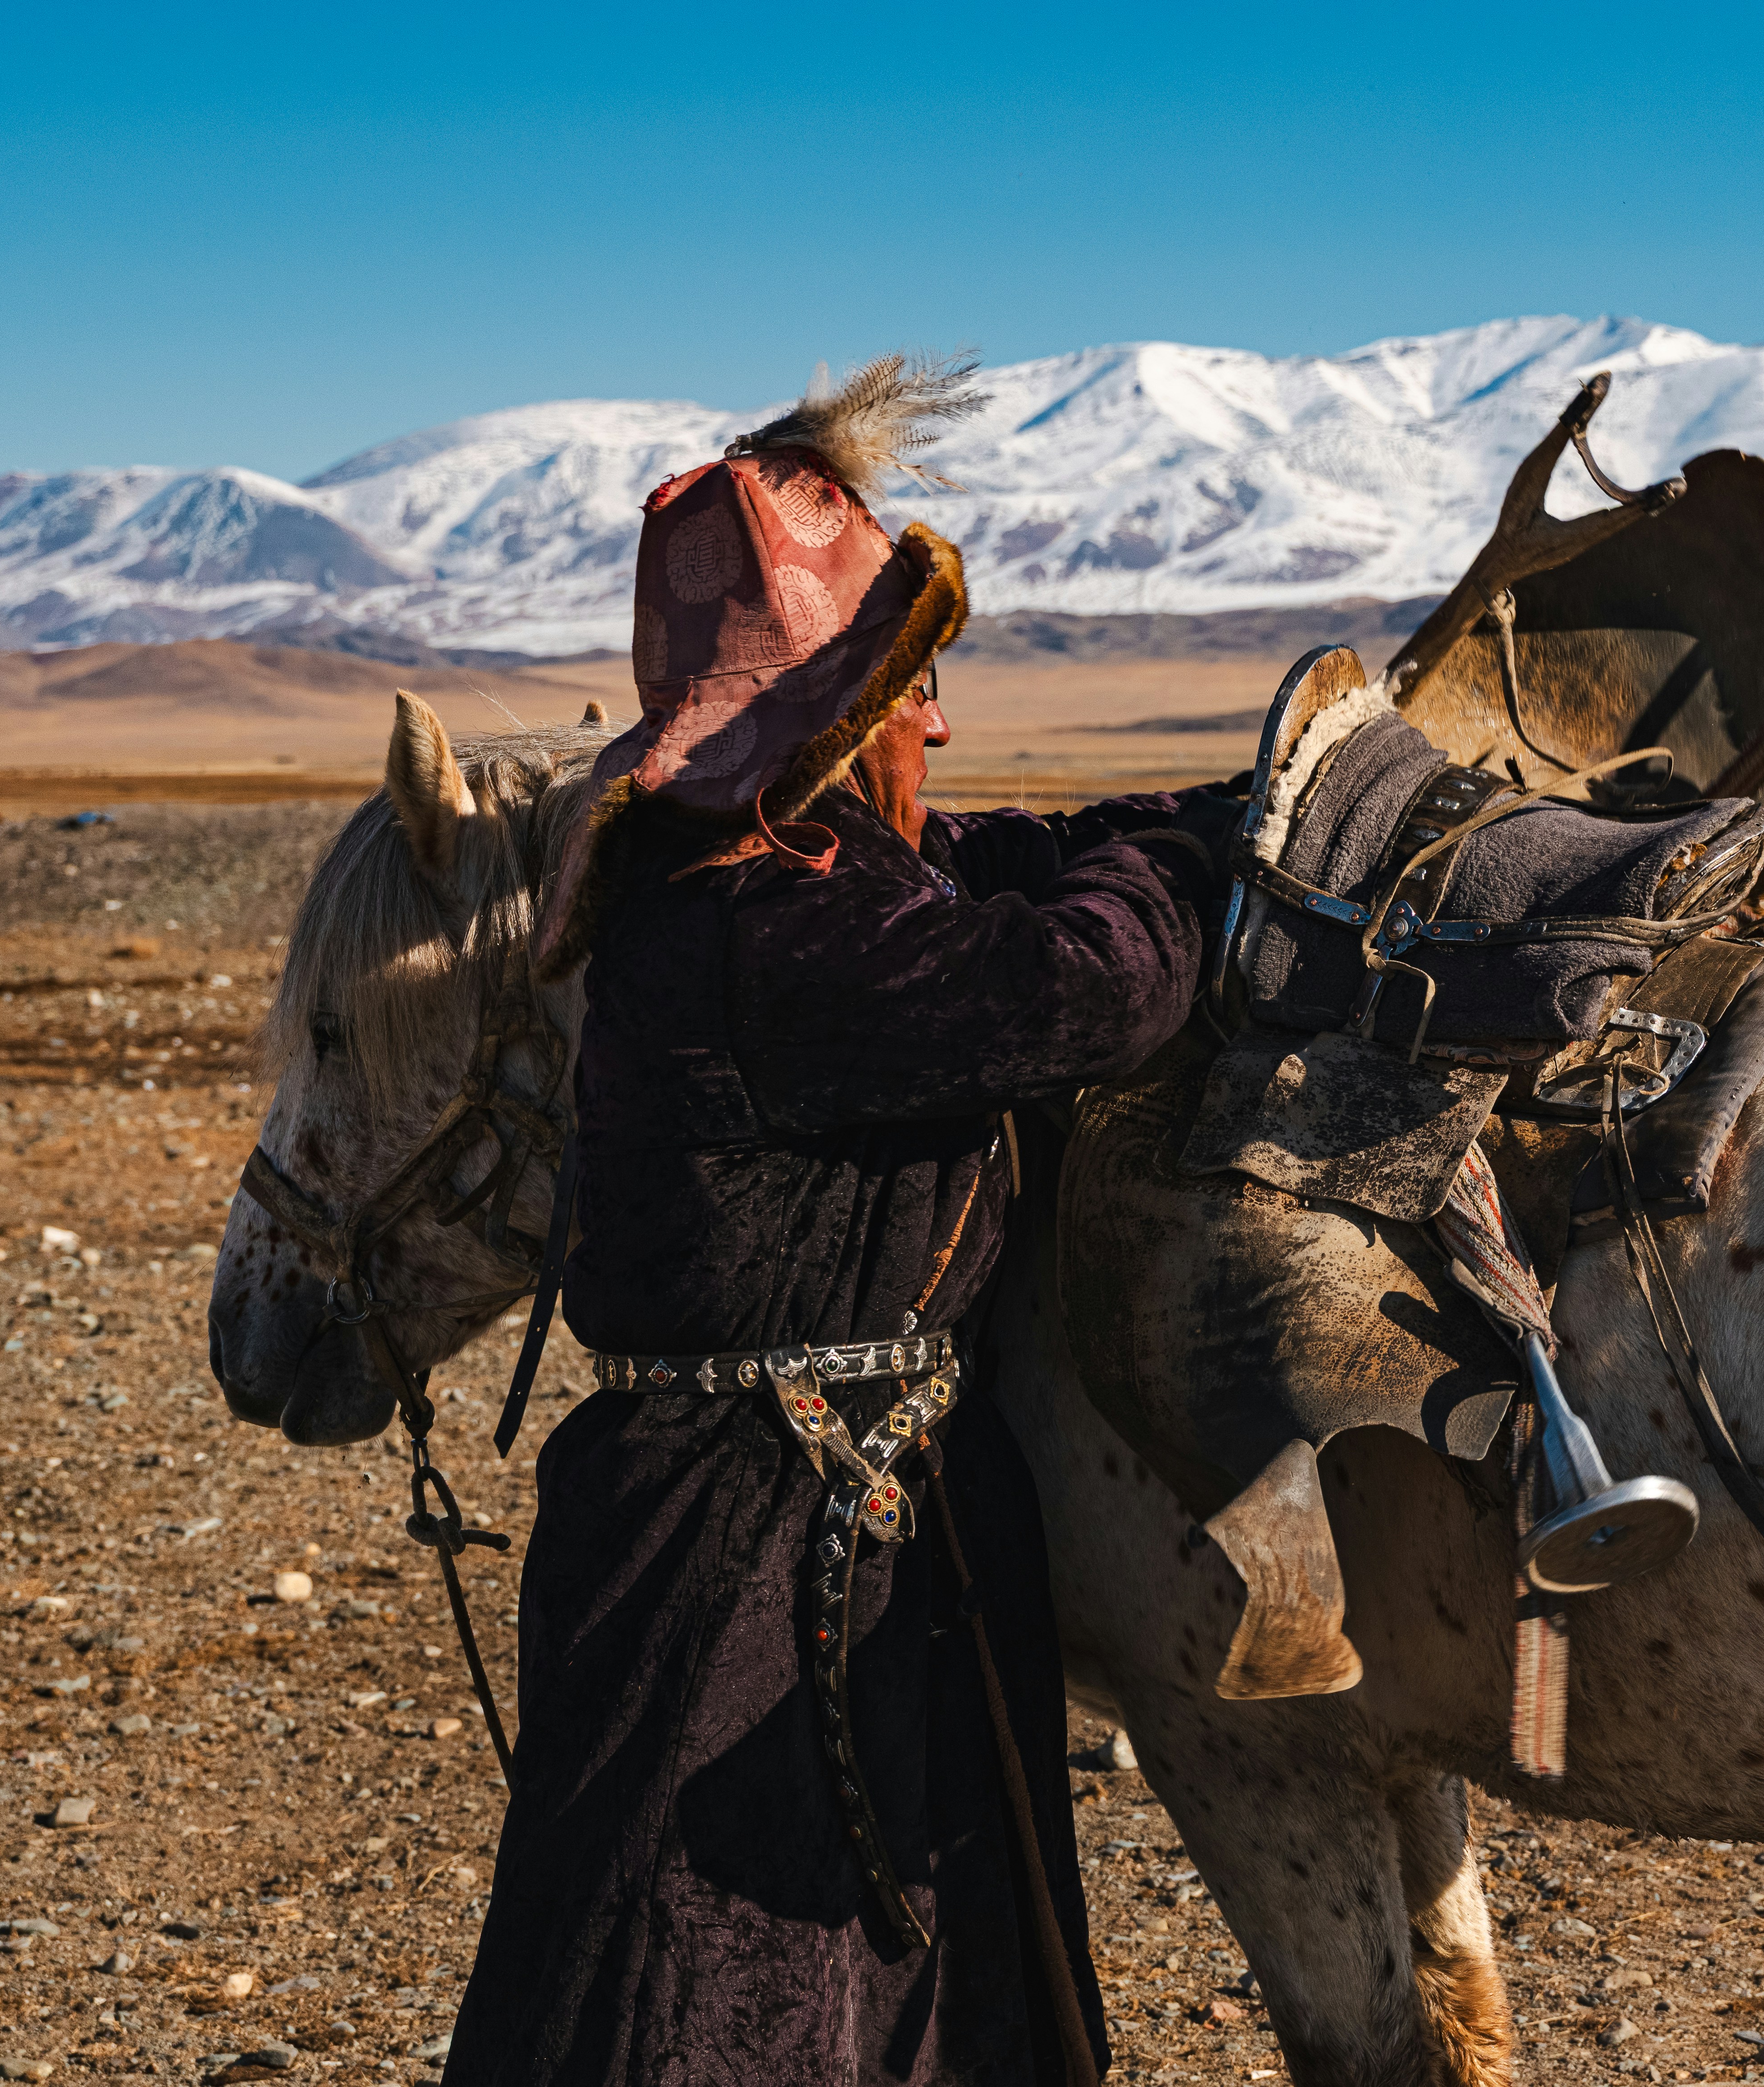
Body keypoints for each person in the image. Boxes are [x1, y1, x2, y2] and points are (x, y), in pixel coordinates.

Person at [445, 357, 1227, 2084]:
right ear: (832, 711)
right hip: (751, 1559)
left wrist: (1167, 822)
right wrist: (1185, 874)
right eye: (912, 686)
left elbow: (986, 874)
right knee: (713, 2008)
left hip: (831, 1527)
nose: (936, 729)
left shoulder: (765, 879)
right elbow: (1085, 990)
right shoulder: (767, 931)